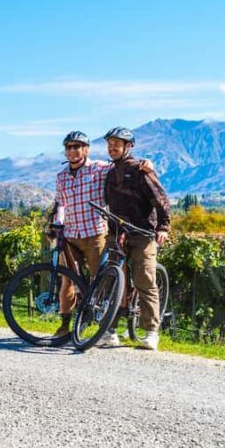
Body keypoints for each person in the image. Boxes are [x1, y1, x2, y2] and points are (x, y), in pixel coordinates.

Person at [51, 131, 152, 339]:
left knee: (103, 282)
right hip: (70, 235)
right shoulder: (61, 176)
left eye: (77, 146)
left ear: (86, 149)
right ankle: (64, 325)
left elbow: (124, 165)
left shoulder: (99, 169)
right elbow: (61, 204)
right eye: (69, 147)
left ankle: (106, 326)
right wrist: (57, 224)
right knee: (67, 281)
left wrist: (147, 162)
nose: (72, 151)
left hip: (95, 234)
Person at [103, 126, 171, 351]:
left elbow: (160, 199)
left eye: (117, 144)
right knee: (111, 280)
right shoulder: (111, 174)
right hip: (117, 234)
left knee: (144, 278)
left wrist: (163, 227)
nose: (112, 148)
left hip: (142, 234)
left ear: (128, 146)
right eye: (110, 144)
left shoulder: (141, 170)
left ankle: (152, 332)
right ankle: (110, 330)